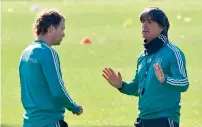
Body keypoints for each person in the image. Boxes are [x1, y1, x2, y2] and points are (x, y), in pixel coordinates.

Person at [102, 7, 189, 127]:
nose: (144, 25)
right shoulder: (142, 56)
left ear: (162, 27)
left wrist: (165, 80)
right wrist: (121, 86)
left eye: (150, 22)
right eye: (143, 22)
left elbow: (183, 83)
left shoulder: (173, 53)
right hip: (142, 119)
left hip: (164, 120)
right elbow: (138, 88)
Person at [19, 9, 83, 127]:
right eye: (62, 29)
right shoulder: (48, 52)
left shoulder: (26, 53)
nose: (64, 34)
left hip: (29, 121)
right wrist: (74, 107)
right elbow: (58, 89)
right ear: (51, 29)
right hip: (49, 121)